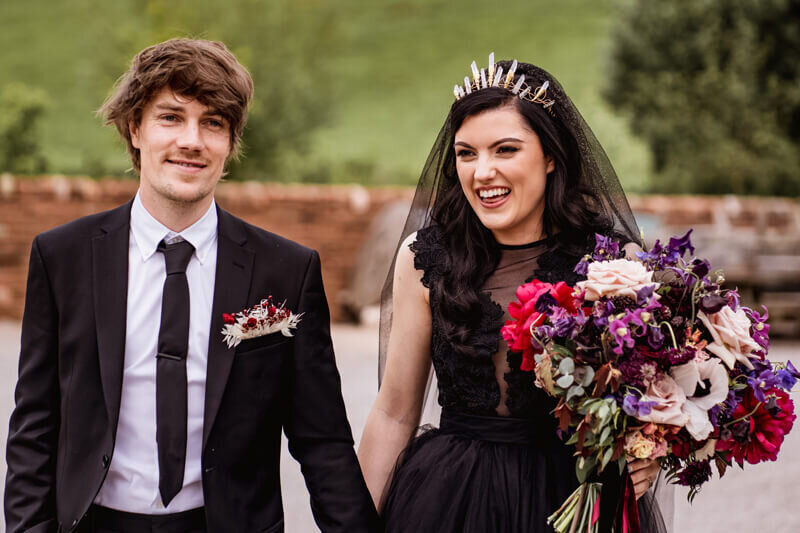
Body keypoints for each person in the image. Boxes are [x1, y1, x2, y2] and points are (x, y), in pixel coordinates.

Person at [4, 38, 380, 533]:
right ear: (135, 128)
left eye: (213, 123)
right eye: (171, 117)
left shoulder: (286, 271)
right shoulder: (63, 257)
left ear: (230, 143)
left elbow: (322, 439)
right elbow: (35, 425)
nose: (192, 140)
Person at [358, 56, 667, 532]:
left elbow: (649, 401)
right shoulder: (424, 259)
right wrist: (353, 524)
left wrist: (649, 447)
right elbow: (395, 413)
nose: (482, 172)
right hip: (451, 501)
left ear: (549, 156)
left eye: (505, 150)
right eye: (466, 153)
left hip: (571, 500)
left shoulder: (611, 264)